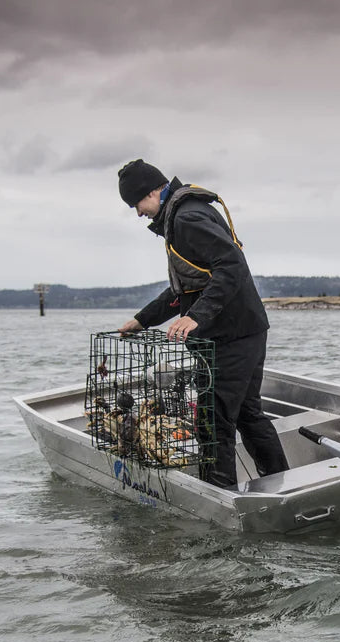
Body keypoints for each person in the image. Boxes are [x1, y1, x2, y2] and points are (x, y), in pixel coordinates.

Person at [115, 159, 289, 490]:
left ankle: (221, 500)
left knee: (212, 421)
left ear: (154, 191)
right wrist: (143, 319)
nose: (138, 213)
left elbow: (231, 266)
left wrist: (196, 316)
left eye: (137, 203)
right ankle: (284, 484)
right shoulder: (184, 213)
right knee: (249, 414)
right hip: (246, 329)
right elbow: (188, 286)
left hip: (230, 337)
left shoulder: (186, 218)